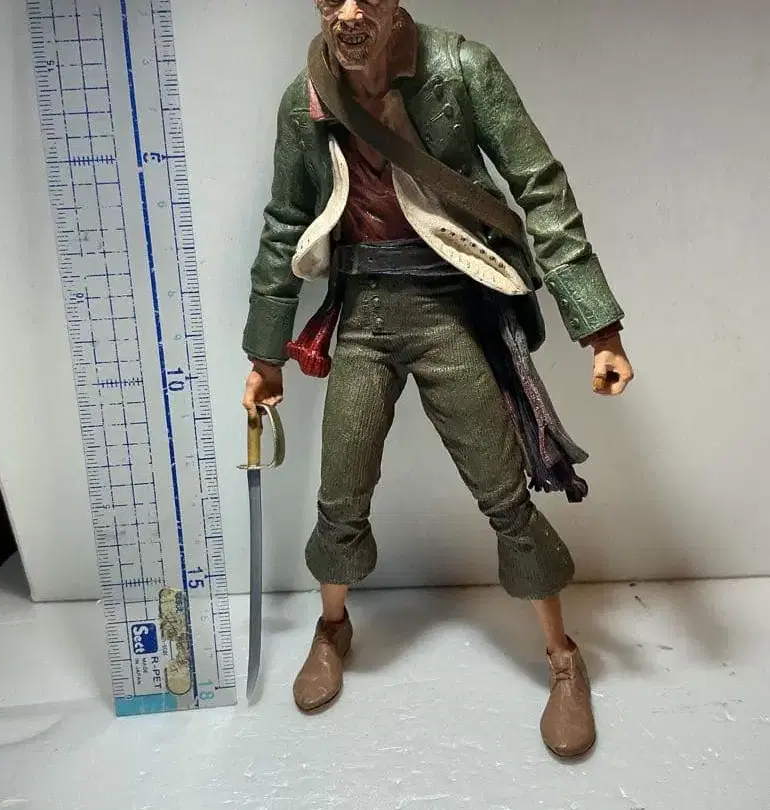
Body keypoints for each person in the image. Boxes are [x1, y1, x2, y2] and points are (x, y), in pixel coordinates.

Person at [240, 0, 634, 758]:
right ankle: (332, 626)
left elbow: (540, 189)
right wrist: (264, 356)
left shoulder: (463, 68)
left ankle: (562, 654)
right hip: (363, 313)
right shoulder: (306, 96)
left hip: (446, 306)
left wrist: (599, 327)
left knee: (504, 490)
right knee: (340, 488)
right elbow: (285, 221)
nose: (348, 13)